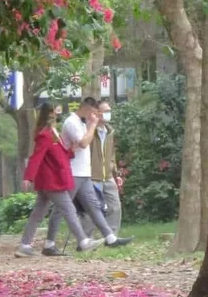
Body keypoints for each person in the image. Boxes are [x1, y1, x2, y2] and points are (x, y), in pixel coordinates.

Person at [42, 97, 133, 253]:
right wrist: (92, 126)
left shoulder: (83, 124)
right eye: (93, 112)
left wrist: (90, 127)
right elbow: (84, 143)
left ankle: (110, 238)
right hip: (72, 172)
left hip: (84, 173)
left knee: (94, 206)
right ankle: (49, 243)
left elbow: (85, 143)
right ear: (86, 109)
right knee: (62, 208)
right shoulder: (72, 122)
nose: (94, 116)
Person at [16, 102, 103, 257]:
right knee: (69, 210)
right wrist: (28, 177)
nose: (56, 115)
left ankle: (25, 245)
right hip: (52, 181)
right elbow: (36, 157)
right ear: (48, 115)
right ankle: (83, 241)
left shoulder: (53, 133)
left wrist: (71, 150)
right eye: (54, 113)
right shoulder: (45, 134)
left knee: (38, 213)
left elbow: (58, 155)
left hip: (51, 181)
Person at [79, 100, 125, 237]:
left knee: (114, 207)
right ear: (97, 113)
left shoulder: (110, 132)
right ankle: (86, 239)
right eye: (105, 111)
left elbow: (111, 154)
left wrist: (116, 173)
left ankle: (112, 237)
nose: (108, 114)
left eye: (109, 111)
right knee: (90, 210)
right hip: (92, 176)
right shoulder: (89, 131)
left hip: (108, 176)